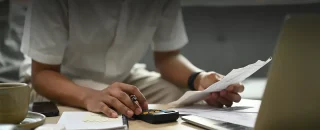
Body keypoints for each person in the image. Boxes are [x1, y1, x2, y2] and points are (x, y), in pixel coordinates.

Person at [21, 0, 244, 118]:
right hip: (59, 81)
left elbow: (167, 57)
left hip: (126, 76)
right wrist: (91, 97)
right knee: (115, 112)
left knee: (188, 99)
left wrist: (200, 80)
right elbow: (42, 73)